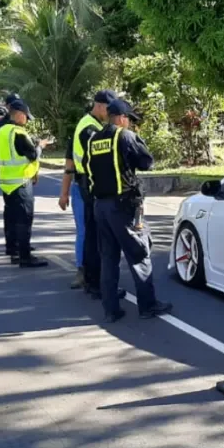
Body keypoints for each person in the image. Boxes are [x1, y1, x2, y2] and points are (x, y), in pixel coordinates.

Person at [84, 99, 173, 323]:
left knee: (108, 258)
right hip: (122, 207)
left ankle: (111, 309)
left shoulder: (93, 139)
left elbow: (87, 169)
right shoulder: (124, 136)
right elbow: (146, 162)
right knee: (139, 254)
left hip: (100, 207)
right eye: (130, 120)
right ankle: (148, 305)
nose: (130, 124)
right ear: (122, 118)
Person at [59, 90, 116, 290]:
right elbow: (70, 164)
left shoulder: (93, 125)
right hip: (85, 186)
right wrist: (64, 193)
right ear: (99, 105)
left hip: (86, 185)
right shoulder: (88, 128)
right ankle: (85, 271)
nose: (110, 113)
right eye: (109, 109)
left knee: (91, 231)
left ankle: (91, 273)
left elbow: (69, 162)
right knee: (87, 231)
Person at [0, 98, 51, 268]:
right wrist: (40, 145)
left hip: (6, 183)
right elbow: (32, 155)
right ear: (19, 115)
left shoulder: (1, 131)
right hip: (20, 182)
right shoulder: (18, 133)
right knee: (24, 220)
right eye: (26, 117)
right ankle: (25, 256)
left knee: (11, 218)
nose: (27, 120)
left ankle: (12, 248)